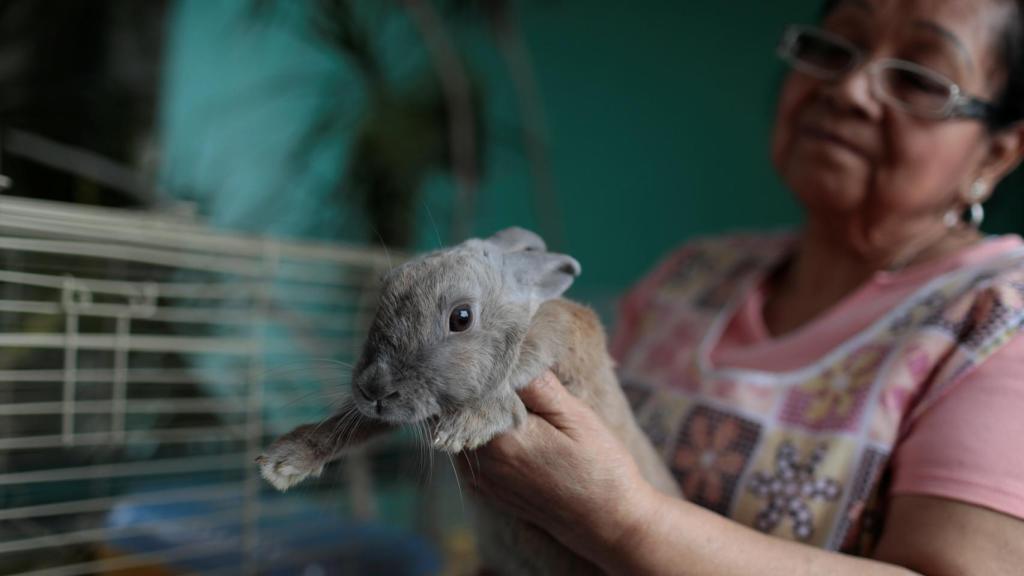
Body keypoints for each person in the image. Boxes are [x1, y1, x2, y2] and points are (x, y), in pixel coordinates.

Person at [467, 0, 1024, 573]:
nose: (850, 89)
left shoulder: (999, 324)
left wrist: (625, 521)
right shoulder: (694, 274)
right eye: (832, 50)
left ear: (998, 154)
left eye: (917, 79)